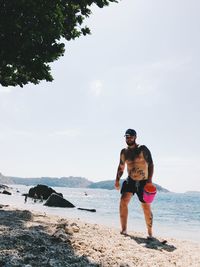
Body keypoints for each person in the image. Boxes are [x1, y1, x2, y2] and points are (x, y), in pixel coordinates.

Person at [115, 129, 154, 239]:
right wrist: (117, 180)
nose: (128, 139)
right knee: (123, 202)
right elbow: (121, 167)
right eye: (127, 137)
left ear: (135, 137)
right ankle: (124, 229)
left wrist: (150, 181)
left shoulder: (142, 149)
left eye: (131, 137)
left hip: (143, 182)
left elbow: (151, 164)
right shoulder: (124, 152)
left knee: (146, 208)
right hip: (130, 180)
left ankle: (150, 233)